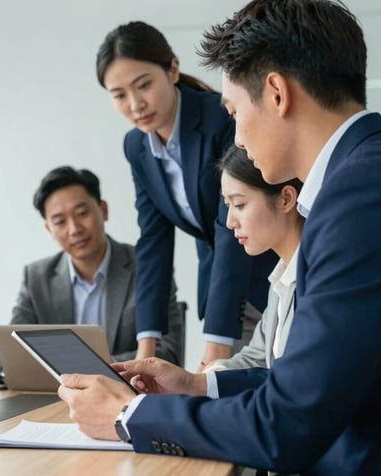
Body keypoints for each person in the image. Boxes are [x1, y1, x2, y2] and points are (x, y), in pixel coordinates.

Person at [59, 1, 381, 474]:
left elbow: (285, 425)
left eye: (234, 111)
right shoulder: (373, 174)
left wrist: (126, 414)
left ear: (276, 94)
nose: (236, 138)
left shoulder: (364, 196)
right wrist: (197, 385)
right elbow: (302, 385)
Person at [97, 21, 278, 366]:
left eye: (144, 85)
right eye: (119, 95)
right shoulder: (136, 146)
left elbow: (230, 224)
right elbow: (154, 241)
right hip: (220, 285)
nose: (135, 104)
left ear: (173, 69)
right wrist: (145, 350)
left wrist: (215, 348)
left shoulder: (220, 117)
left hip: (266, 272)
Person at [0, 166, 183, 375]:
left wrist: (82, 368)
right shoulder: (36, 278)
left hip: (128, 396)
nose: (75, 229)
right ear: (49, 229)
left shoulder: (148, 267)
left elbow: (169, 354)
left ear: (103, 210)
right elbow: (7, 358)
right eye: (60, 222)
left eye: (82, 213)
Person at [203, 146, 303, 379]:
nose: (229, 222)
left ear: (286, 199)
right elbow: (255, 358)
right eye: (227, 206)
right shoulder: (280, 279)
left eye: (239, 205)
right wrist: (197, 381)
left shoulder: (315, 281)